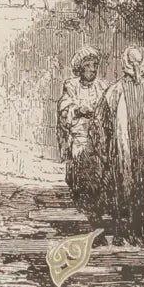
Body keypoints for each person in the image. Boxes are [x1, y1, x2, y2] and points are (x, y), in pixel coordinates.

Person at [100, 46, 144, 245]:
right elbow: (103, 120)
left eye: (138, 62)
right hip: (123, 148)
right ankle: (122, 231)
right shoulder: (116, 90)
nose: (135, 66)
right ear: (126, 63)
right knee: (123, 186)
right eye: (132, 62)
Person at [57, 47, 109, 221]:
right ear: (80, 68)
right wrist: (78, 110)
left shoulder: (102, 86)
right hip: (80, 135)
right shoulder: (71, 85)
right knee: (81, 164)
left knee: (100, 170)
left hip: (99, 137)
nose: (92, 69)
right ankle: (85, 203)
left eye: (95, 65)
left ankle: (96, 205)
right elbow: (65, 108)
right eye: (88, 65)